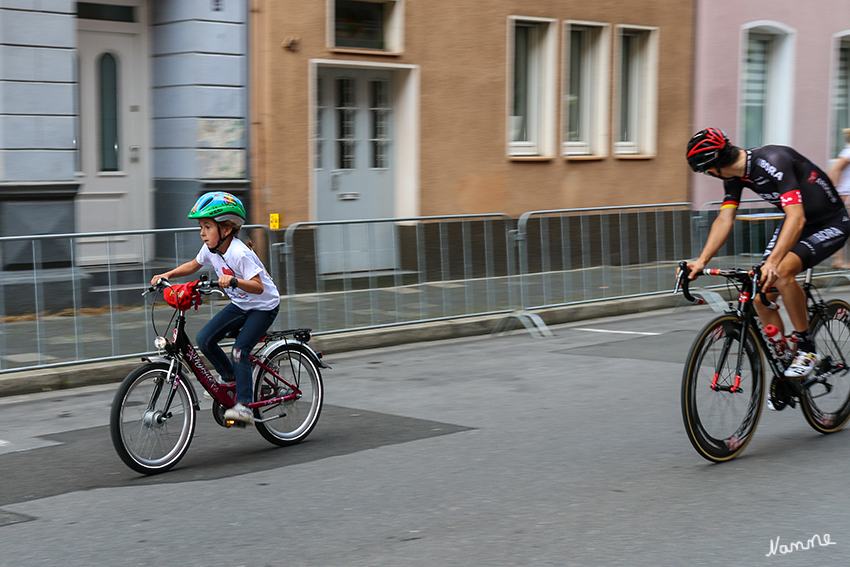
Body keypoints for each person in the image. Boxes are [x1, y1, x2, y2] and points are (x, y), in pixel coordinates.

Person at [685, 127, 850, 380]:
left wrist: (773, 262)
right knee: (759, 292)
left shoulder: (773, 160)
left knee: (781, 272)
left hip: (830, 223)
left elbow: (796, 216)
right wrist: (701, 261)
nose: (708, 175)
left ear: (714, 165)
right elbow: (725, 218)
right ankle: (784, 363)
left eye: (705, 170)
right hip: (799, 223)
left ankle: (806, 348)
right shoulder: (734, 177)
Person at [151, 191, 280, 425]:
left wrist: (233, 281)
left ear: (226, 229)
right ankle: (230, 377)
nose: (202, 232)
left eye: (207, 226)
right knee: (205, 339)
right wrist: (167, 275)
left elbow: (259, 287)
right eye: (201, 226)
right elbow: (193, 265)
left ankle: (243, 406)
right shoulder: (212, 250)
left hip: (263, 307)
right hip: (242, 304)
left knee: (240, 350)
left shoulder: (239, 253)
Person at [827, 127, 850, 269]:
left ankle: (839, 260)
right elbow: (834, 169)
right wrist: (835, 191)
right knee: (843, 228)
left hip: (846, 194)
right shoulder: (848, 152)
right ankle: (838, 260)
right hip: (847, 195)